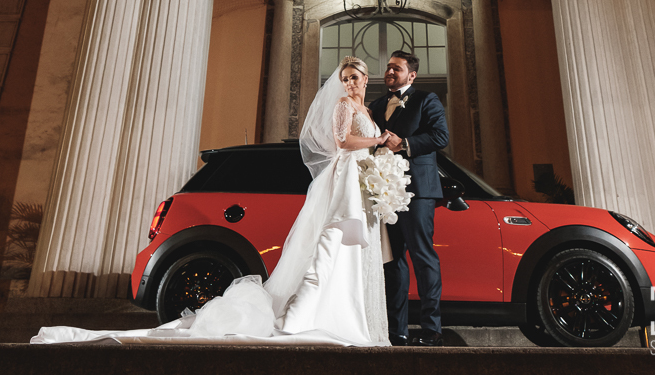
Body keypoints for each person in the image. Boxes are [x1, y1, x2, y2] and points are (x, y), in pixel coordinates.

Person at [32, 56, 402, 346]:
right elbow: (341, 143)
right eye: (346, 77)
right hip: (340, 188)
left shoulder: (367, 111)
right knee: (328, 250)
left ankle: (347, 317)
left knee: (346, 255)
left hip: (357, 189)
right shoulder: (343, 106)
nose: (350, 82)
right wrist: (377, 141)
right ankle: (304, 319)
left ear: (365, 79)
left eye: (356, 77)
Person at [370, 51, 450, 347]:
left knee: (422, 256)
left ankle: (432, 329)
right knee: (392, 261)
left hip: (417, 189)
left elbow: (440, 137)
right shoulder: (377, 105)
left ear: (411, 75)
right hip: (383, 191)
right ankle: (397, 331)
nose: (390, 71)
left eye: (397, 68)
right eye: (388, 67)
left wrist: (404, 143)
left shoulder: (427, 100)